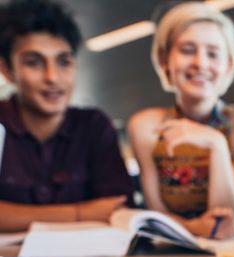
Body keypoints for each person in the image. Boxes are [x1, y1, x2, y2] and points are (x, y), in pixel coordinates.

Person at [128, 1, 234, 240]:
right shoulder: (145, 127)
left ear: (228, 66)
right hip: (175, 249)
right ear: (165, 60)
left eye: (213, 54)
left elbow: (229, 223)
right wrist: (195, 229)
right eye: (187, 50)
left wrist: (216, 144)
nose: (200, 63)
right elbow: (156, 214)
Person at [0, 0, 134, 232]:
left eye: (64, 62)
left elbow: (119, 210)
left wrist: (14, 215)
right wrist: (82, 213)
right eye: (34, 63)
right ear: (7, 71)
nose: (52, 77)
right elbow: (100, 212)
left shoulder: (94, 126)